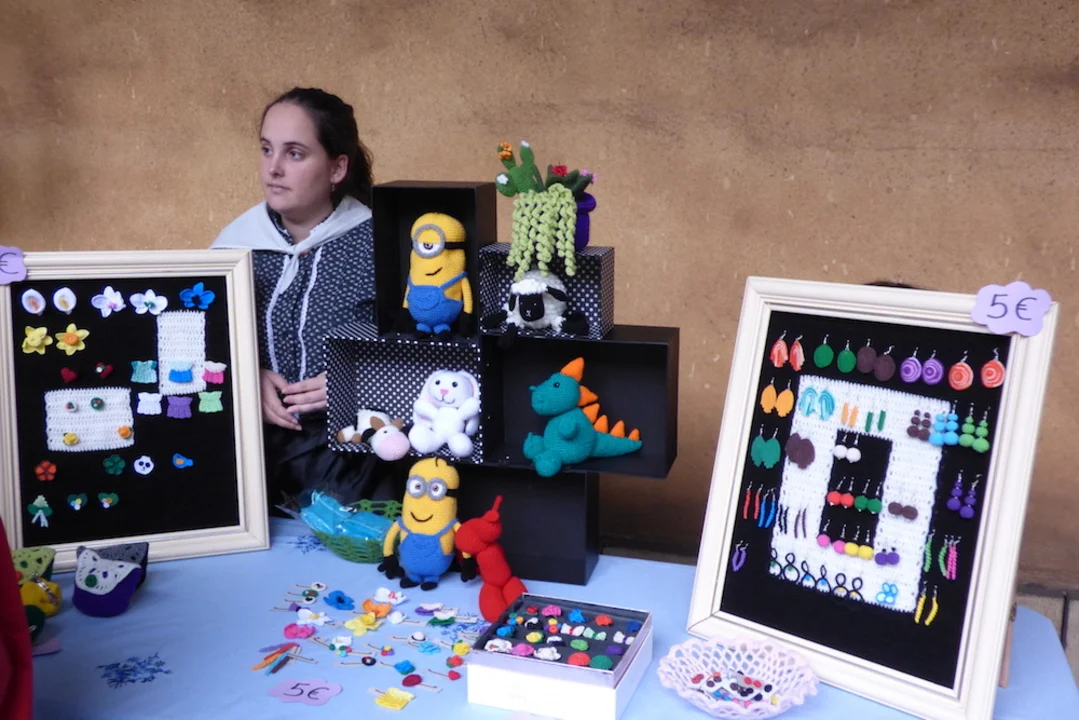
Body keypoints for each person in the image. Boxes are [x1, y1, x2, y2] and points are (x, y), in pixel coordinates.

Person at [212, 87, 392, 513]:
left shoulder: (382, 245)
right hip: (253, 458)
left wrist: (358, 383)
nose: (273, 168)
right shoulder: (232, 248)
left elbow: (430, 352)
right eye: (266, 149)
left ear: (337, 168)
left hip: (355, 462)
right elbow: (202, 348)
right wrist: (245, 375)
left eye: (294, 153)